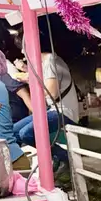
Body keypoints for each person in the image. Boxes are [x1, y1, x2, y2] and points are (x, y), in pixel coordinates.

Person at [12, 31, 79, 169]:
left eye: (23, 48)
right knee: (14, 131)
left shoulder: (50, 61)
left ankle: (66, 157)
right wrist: (26, 71)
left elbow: (51, 92)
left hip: (64, 111)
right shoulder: (46, 62)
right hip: (53, 110)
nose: (23, 53)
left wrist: (28, 81)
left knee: (26, 133)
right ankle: (55, 157)